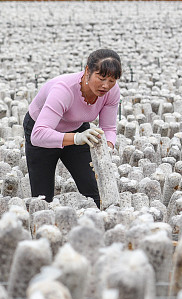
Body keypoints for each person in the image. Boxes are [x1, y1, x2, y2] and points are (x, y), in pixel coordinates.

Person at [24, 49, 122, 207]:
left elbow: (109, 128)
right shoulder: (64, 90)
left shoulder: (111, 92)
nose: (106, 85)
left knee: (94, 191)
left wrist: (106, 149)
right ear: (87, 71)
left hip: (78, 128)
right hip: (42, 130)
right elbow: (38, 134)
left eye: (112, 80)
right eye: (101, 78)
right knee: (43, 199)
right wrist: (76, 138)